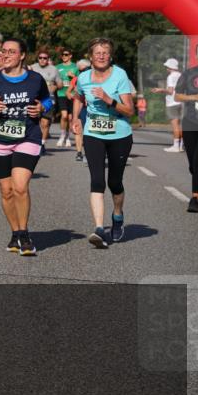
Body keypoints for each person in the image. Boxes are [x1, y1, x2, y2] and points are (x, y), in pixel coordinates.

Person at [0, 39, 51, 256]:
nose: (6, 55)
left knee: (19, 186)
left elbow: (47, 101)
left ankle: (25, 234)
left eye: (11, 51)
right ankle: (15, 232)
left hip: (28, 136)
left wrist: (40, 108)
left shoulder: (35, 79)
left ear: (22, 55)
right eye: (3, 51)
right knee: (6, 191)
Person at [70, 38, 135, 249]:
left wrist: (109, 100)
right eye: (97, 52)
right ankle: (99, 228)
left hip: (120, 134)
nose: (101, 56)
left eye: (105, 53)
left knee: (114, 183)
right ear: (90, 57)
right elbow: (78, 97)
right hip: (93, 133)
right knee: (97, 180)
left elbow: (129, 110)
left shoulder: (120, 75)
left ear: (110, 56)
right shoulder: (83, 77)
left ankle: (117, 216)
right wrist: (75, 118)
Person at [174, 41, 198, 213]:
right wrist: (195, 97)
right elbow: (177, 96)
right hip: (190, 123)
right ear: (196, 55)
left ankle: (194, 198)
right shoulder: (188, 74)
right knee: (193, 165)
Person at [28, 47, 62, 154]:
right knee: (34, 123)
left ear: (48, 59)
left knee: (45, 123)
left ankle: (42, 144)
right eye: (40, 58)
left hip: (48, 100)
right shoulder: (32, 68)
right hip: (33, 100)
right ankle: (32, 142)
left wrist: (55, 88)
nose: (42, 60)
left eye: (45, 58)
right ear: (37, 58)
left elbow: (60, 84)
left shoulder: (53, 69)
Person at [153, 58, 185, 152]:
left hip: (172, 103)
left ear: (170, 67)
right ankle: (181, 145)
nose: (166, 68)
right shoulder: (181, 75)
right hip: (181, 102)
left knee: (175, 125)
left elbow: (170, 91)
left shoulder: (171, 76)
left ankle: (175, 146)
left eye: (167, 66)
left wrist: (160, 90)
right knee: (180, 125)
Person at [67, 59, 91, 162]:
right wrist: (74, 97)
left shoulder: (95, 78)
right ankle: (79, 152)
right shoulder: (77, 79)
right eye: (80, 71)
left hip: (91, 108)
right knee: (78, 130)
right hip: (80, 108)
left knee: (88, 131)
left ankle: (89, 152)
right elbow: (68, 92)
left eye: (85, 70)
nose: (83, 72)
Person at [55, 48, 77, 147]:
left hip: (72, 95)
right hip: (61, 94)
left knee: (70, 117)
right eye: (63, 55)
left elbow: (80, 81)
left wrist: (73, 76)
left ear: (70, 56)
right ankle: (62, 135)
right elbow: (54, 79)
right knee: (64, 116)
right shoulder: (57, 67)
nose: (64, 56)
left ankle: (68, 137)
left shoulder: (75, 67)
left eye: (66, 54)